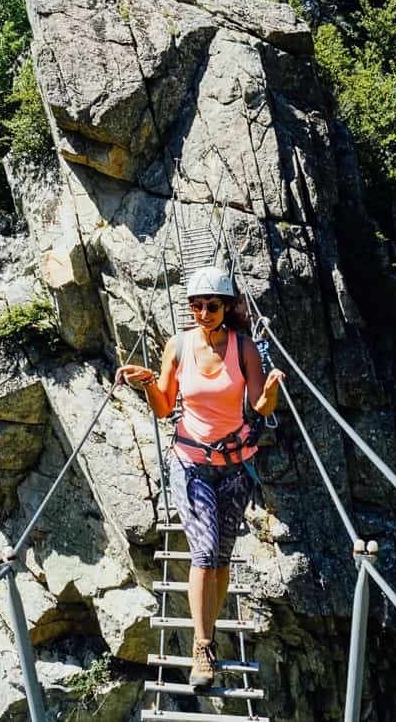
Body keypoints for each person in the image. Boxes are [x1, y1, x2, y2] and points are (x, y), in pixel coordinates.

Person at [116, 266, 285, 687]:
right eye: (196, 305)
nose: (203, 312)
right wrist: (148, 383)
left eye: (211, 305)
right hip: (190, 464)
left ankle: (205, 623)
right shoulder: (178, 345)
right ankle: (203, 648)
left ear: (226, 307)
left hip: (234, 466)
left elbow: (260, 407)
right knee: (205, 553)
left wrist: (271, 393)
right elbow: (163, 406)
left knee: (221, 558)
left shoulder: (244, 347)